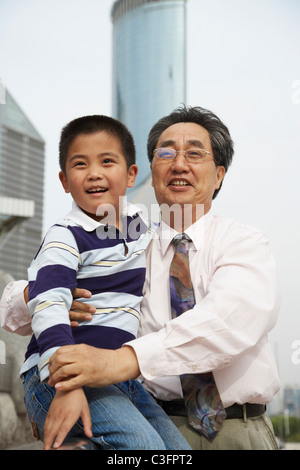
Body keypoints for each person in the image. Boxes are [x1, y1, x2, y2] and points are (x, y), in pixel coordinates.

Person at [1, 106, 280, 450]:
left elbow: (228, 322)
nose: (179, 164)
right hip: (138, 415)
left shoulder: (243, 242)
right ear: (148, 170)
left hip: (237, 431)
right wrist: (39, 293)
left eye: (194, 153)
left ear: (219, 175)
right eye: (166, 154)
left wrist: (121, 360)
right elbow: (25, 291)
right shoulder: (131, 244)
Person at [9, 114, 191, 451]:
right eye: (81, 164)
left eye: (107, 161)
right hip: (59, 372)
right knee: (142, 447)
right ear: (65, 181)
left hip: (117, 375)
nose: (94, 172)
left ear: (131, 174)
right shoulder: (65, 237)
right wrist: (66, 385)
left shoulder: (140, 227)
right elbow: (48, 305)